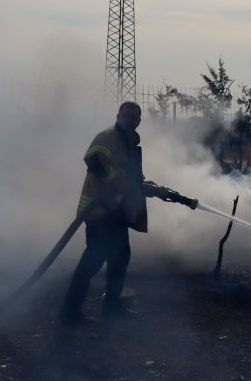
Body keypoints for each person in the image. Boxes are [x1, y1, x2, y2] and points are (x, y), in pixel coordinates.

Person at [60, 101, 197, 324]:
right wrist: (119, 183)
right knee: (92, 262)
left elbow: (130, 176)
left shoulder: (128, 143)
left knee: (120, 259)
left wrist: (151, 188)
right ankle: (70, 312)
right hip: (99, 212)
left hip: (116, 213)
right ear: (118, 116)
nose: (129, 120)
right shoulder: (107, 136)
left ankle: (112, 308)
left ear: (139, 121)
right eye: (126, 116)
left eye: (134, 118)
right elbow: (93, 161)